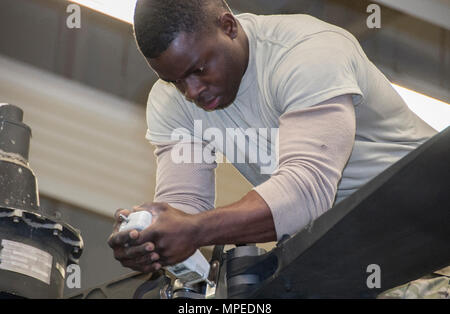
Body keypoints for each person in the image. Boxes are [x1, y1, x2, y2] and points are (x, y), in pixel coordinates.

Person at [107, 0, 436, 276]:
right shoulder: (171, 101)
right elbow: (185, 209)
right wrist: (152, 237)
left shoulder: (308, 53)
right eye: (175, 80)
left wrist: (194, 230)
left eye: (199, 70)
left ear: (228, 27)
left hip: (430, 222)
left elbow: (306, 191)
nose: (191, 91)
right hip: (349, 249)